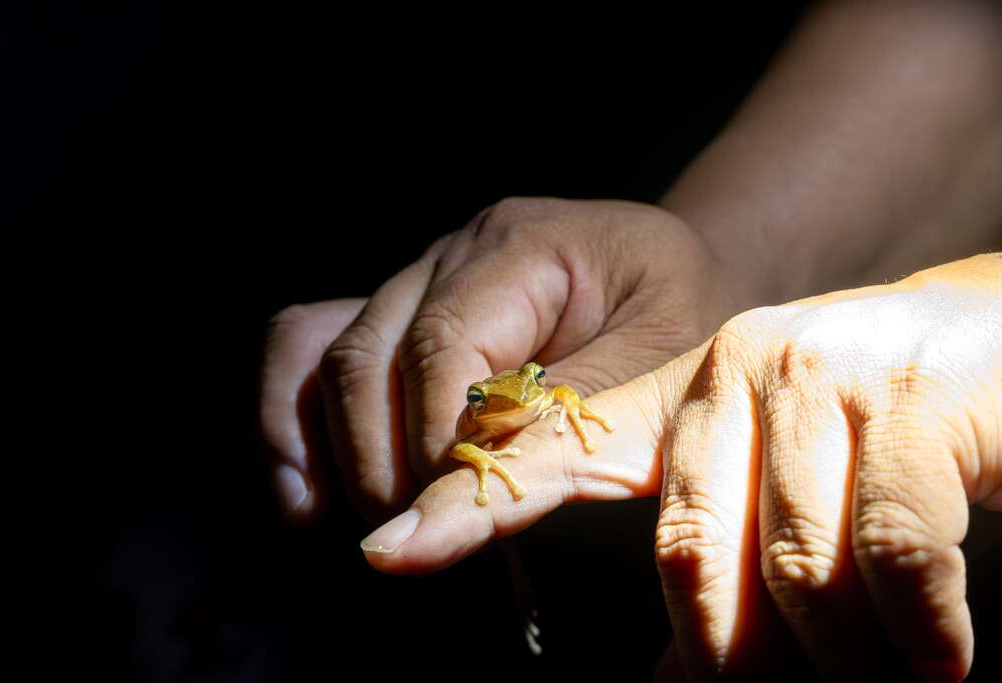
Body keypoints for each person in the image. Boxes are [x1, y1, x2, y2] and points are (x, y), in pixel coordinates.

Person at [261, 1, 1002, 679]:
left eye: (531, 377)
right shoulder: (482, 413)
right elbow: (465, 443)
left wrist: (723, 261)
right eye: (490, 393)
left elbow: (973, 21)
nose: (521, 390)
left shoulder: (539, 392)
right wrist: (488, 458)